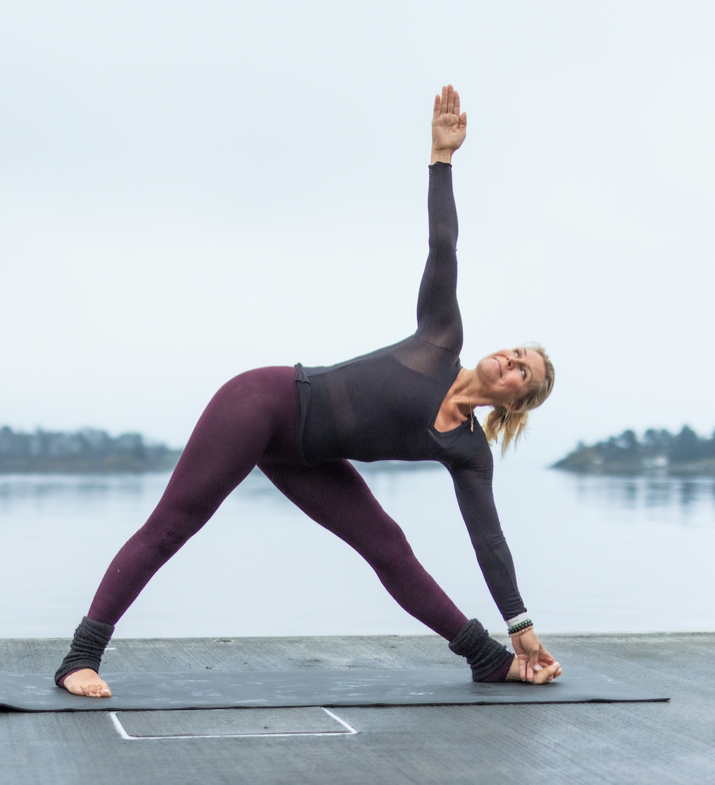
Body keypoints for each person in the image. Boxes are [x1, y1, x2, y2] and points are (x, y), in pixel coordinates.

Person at [55, 85, 561, 697]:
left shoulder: (469, 451)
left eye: (522, 374)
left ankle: (486, 657)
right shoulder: (441, 337)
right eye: (517, 351)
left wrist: (522, 626)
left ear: (513, 404)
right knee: (175, 524)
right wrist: (441, 159)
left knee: (388, 548)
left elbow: (490, 541)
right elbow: (443, 246)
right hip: (262, 405)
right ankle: (79, 659)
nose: (511, 360)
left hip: (307, 455)